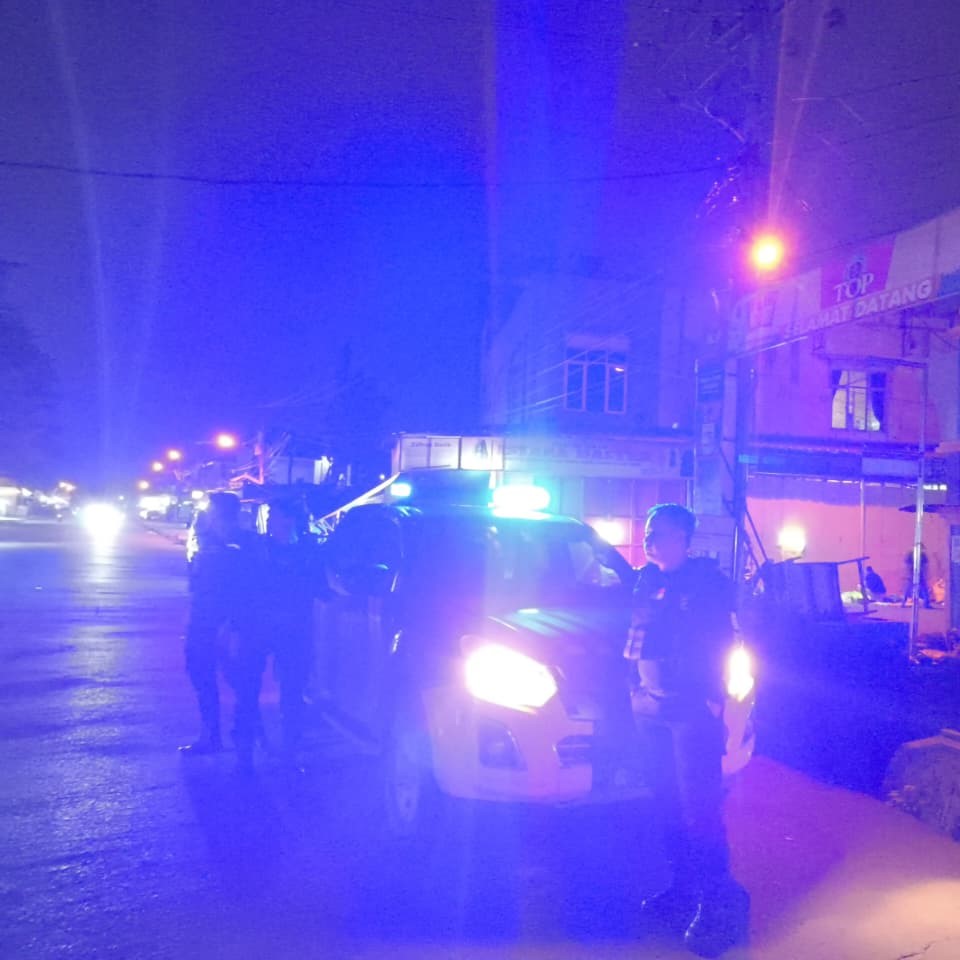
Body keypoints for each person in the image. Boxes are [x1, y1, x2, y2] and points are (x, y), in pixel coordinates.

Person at [625, 503, 749, 958]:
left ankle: (718, 906)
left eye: (660, 533)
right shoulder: (644, 580)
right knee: (666, 803)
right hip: (650, 708)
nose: (650, 540)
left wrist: (711, 699)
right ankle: (682, 890)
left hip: (690, 710)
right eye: (648, 531)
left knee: (699, 809)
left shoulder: (708, 585)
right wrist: (634, 689)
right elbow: (632, 638)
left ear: (685, 540)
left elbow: (723, 643)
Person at [243, 498, 323, 768]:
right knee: (247, 691)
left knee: (293, 694)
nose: (270, 522)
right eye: (270, 517)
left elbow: (321, 588)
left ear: (291, 520)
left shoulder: (309, 553)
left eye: (275, 517)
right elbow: (242, 589)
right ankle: (246, 751)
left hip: (294, 632)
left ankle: (290, 753)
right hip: (258, 629)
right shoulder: (257, 550)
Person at [180, 492, 249, 756]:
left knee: (239, 683)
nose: (205, 513)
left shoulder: (239, 546)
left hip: (223, 626)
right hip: (202, 623)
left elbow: (243, 591)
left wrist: (230, 626)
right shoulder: (207, 542)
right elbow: (198, 584)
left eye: (210, 509)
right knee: (202, 679)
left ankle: (247, 738)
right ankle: (211, 736)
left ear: (220, 514)